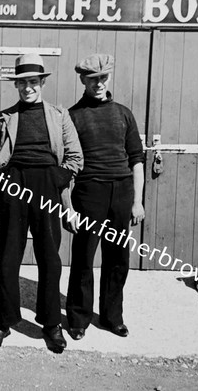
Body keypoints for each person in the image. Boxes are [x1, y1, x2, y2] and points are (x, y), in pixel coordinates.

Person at [0, 53, 83, 353]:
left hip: (47, 188)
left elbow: (76, 158)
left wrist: (57, 179)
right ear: (16, 85)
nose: (28, 88)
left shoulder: (59, 115)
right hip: (12, 186)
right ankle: (3, 322)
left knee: (50, 258)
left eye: (33, 82)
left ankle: (51, 324)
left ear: (42, 83)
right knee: (9, 259)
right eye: (22, 83)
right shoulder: (3, 118)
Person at [64, 54, 145, 341]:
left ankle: (113, 317)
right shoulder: (72, 116)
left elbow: (137, 160)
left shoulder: (123, 113)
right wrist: (69, 206)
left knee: (118, 258)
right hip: (90, 192)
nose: (99, 84)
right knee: (84, 257)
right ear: (82, 80)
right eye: (92, 79)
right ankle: (77, 318)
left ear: (108, 79)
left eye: (103, 78)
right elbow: (67, 166)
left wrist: (137, 201)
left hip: (121, 192)